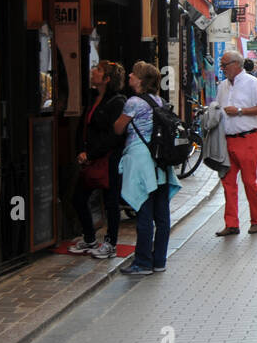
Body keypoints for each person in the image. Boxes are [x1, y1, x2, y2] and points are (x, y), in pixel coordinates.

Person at [114, 62, 180, 275]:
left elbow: (118, 128)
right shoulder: (159, 101)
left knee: (144, 212)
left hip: (142, 161)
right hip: (159, 162)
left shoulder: (133, 102)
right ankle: (159, 260)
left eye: (133, 74)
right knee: (162, 216)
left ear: (140, 80)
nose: (130, 76)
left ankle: (142, 262)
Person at [69, 61, 127, 259]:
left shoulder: (117, 102)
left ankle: (110, 243)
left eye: (99, 70)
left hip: (108, 159)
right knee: (78, 198)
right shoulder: (93, 97)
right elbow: (83, 127)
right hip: (91, 159)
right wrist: (81, 151)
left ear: (107, 79)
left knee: (111, 202)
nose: (93, 71)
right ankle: (90, 237)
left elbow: (114, 135)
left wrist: (91, 154)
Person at [214, 50, 257, 237]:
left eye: (225, 65)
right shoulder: (222, 86)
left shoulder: (252, 83)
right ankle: (231, 224)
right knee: (228, 182)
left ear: (236, 64)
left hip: (248, 138)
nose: (222, 69)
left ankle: (256, 220)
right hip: (227, 139)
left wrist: (239, 111)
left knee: (249, 182)